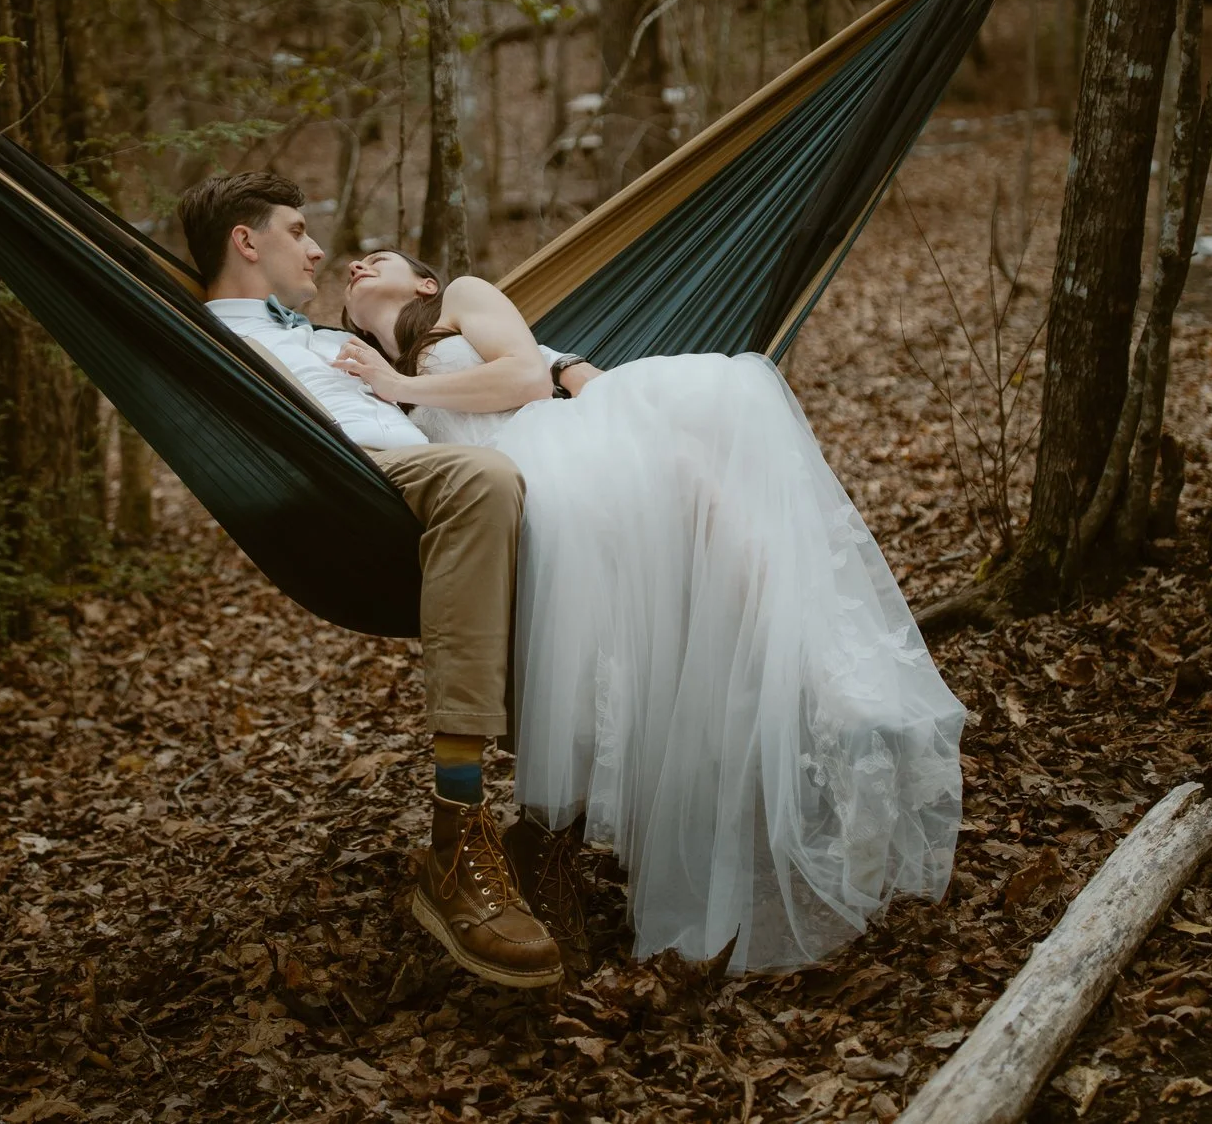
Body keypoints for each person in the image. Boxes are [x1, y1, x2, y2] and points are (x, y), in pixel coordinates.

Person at [339, 250, 964, 975]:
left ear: (424, 282)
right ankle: (556, 839)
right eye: (348, 264)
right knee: (620, 640)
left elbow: (522, 373)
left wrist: (402, 382)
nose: (354, 262)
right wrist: (383, 387)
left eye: (376, 255)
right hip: (503, 510)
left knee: (684, 495)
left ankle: (828, 686)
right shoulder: (358, 377)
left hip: (553, 454)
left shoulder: (463, 298)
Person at [177, 173, 562, 989]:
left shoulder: (324, 334)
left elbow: (488, 356)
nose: (318, 248)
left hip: (434, 462)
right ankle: (457, 831)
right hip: (360, 479)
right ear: (248, 242)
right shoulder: (203, 340)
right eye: (298, 229)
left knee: (586, 527)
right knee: (485, 482)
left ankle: (563, 814)